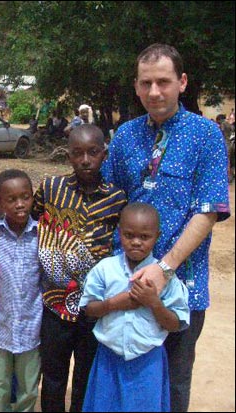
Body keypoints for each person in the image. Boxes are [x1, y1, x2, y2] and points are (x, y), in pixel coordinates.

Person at [101, 43, 230, 412]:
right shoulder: (125, 136)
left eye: (163, 81)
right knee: (125, 375)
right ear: (136, 86)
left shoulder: (206, 135)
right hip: (126, 283)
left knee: (174, 381)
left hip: (183, 285)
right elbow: (108, 201)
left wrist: (164, 269)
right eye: (146, 83)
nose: (154, 91)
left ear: (182, 82)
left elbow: (207, 212)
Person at [32, 124, 127, 412]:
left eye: (93, 152)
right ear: (68, 156)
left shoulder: (117, 198)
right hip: (55, 303)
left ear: (104, 154)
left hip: (93, 306)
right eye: (77, 153)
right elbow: (33, 220)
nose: (85, 160)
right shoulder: (51, 188)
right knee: (53, 375)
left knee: (86, 375)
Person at [80, 202, 190, 412]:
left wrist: (154, 303)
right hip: (108, 360)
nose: (136, 242)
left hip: (147, 362)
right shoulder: (105, 269)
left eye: (144, 237)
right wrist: (114, 304)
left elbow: (177, 324)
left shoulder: (166, 278)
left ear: (157, 236)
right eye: (129, 235)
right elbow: (88, 309)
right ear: (119, 232)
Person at [0, 169, 42, 412]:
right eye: (11, 199)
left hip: (32, 328)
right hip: (1, 328)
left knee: (28, 389)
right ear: (0, 203)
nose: (20, 204)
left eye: (25, 197)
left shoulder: (42, 233)